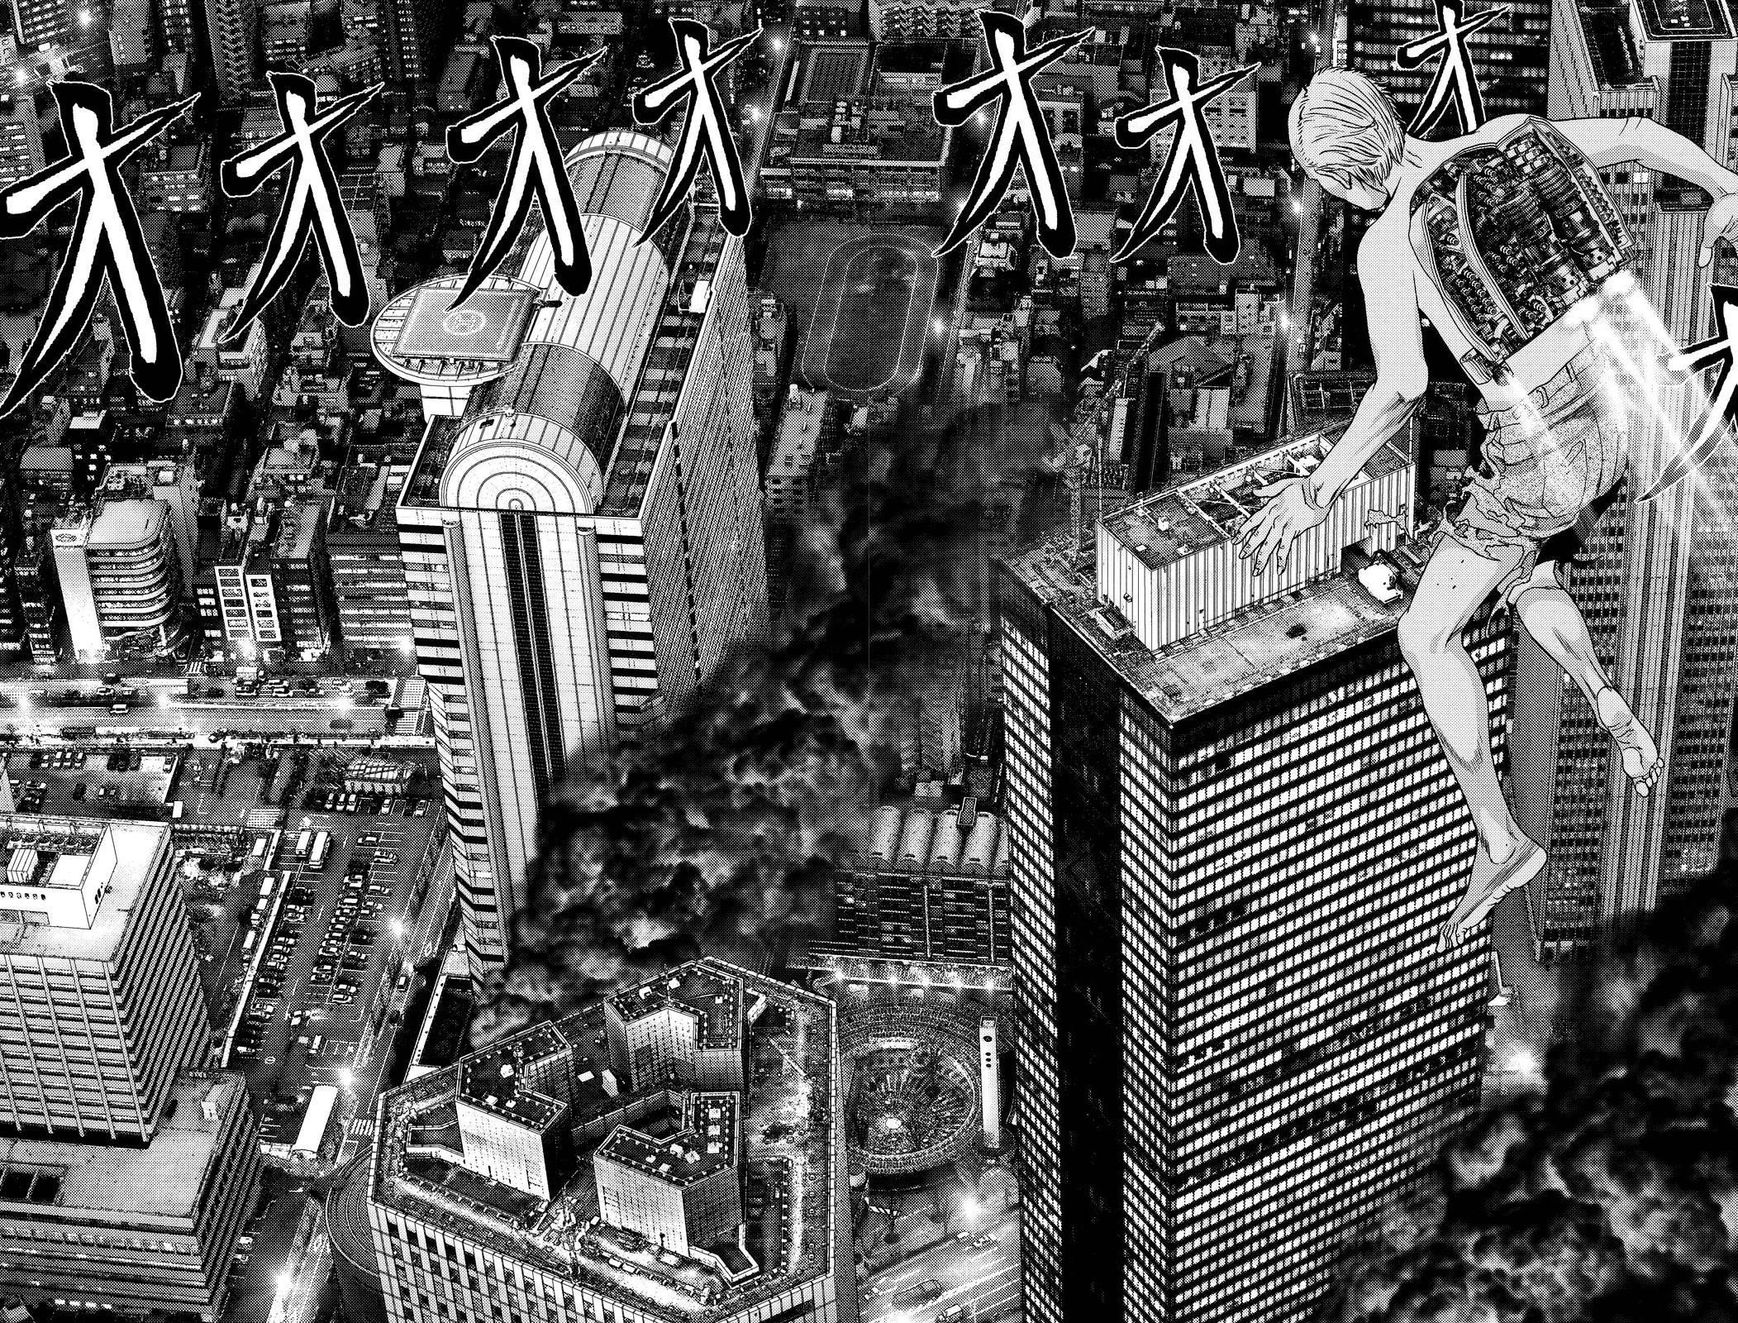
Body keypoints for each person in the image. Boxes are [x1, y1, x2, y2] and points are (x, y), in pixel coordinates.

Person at [1238, 68, 1738, 948]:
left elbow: (1401, 386)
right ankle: (1607, 699)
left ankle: (1502, 841)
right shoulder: (1504, 134)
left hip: (1546, 444)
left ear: (1345, 175)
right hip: (1633, 396)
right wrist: (1725, 184)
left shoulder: (1388, 242)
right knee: (1525, 570)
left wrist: (1317, 491)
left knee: (1425, 634)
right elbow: (1632, 137)